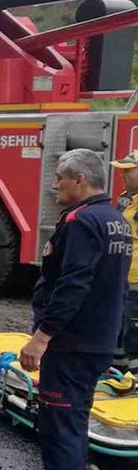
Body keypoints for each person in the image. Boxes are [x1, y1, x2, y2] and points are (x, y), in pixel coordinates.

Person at [17, 149, 131, 470]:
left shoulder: (82, 221)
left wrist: (41, 337)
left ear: (80, 179)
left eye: (60, 178)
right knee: (72, 422)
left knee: (60, 425)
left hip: (72, 344)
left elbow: (73, 284)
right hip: (96, 340)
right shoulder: (115, 219)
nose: (55, 185)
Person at [109, 149, 138, 373]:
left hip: (135, 282)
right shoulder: (127, 199)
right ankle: (119, 375)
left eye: (128, 171)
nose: (122, 175)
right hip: (121, 278)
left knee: (131, 334)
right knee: (117, 329)